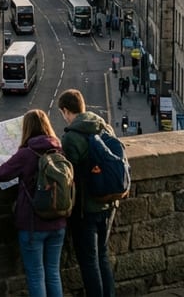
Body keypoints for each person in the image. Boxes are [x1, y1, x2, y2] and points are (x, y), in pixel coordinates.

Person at [0, 109, 66, 297]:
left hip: (32, 224)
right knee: (53, 274)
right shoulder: (59, 149)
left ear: (27, 128)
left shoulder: (26, 154)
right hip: (58, 222)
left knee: (36, 275)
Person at [58, 89, 117, 297]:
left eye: (62, 113)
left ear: (66, 111)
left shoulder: (71, 137)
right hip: (109, 203)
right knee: (102, 255)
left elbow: (68, 177)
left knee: (89, 261)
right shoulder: (104, 126)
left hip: (86, 208)